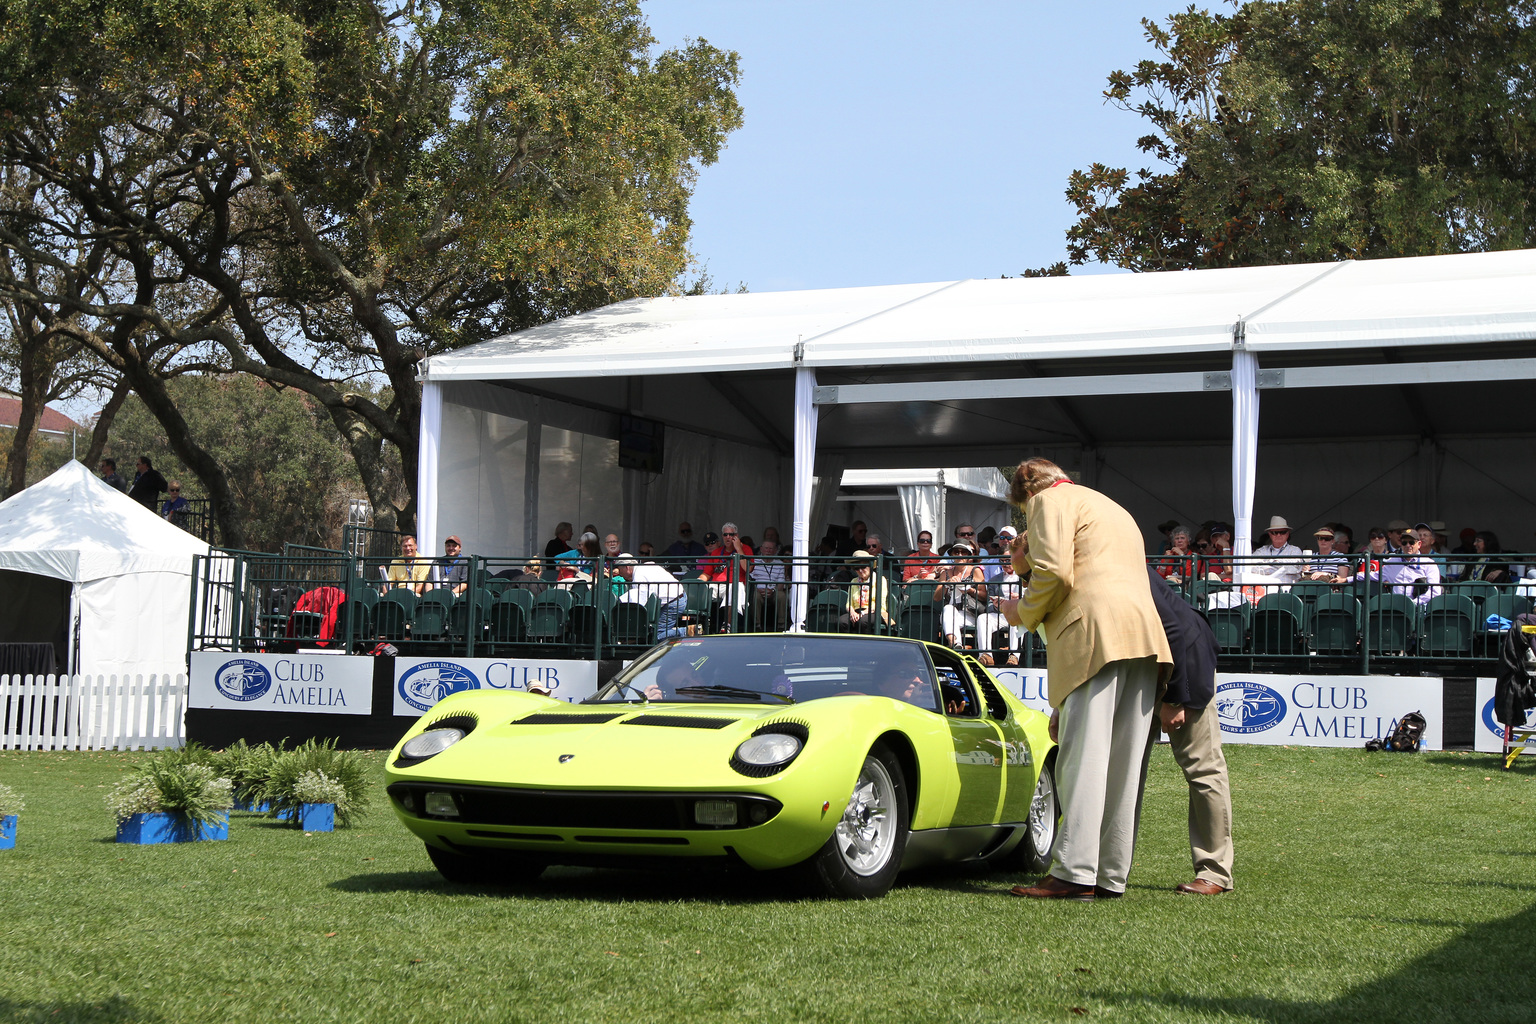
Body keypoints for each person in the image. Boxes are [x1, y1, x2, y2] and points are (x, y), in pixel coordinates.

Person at [1000, 457, 1172, 901]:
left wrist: (1022, 612)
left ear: (1028, 493)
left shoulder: (1047, 503)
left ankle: (1074, 872)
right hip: (1144, 638)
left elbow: (1055, 571)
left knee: (1084, 760)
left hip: (1094, 635)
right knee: (1123, 766)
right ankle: (1110, 876)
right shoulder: (1111, 507)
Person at [1142, 565, 1234, 895]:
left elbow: (1175, 631)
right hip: (1140, 667)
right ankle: (1105, 864)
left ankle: (1215, 872)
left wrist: (1176, 696)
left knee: (1203, 769)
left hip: (1184, 662)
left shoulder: (1120, 563)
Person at [613, 555, 688, 641]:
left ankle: (686, 631)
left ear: (627, 567)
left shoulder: (639, 578)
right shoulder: (646, 567)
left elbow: (639, 607)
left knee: (658, 636)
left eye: (620, 569)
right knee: (657, 633)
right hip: (677, 598)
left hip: (673, 602)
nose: (620, 574)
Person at [933, 540, 988, 650]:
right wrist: (946, 584)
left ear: (968, 555)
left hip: (971, 612)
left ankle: (954, 646)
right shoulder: (946, 573)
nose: (960, 555)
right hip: (951, 614)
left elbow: (984, 596)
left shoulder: (975, 571)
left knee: (948, 619)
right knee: (948, 609)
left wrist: (969, 590)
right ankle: (956, 644)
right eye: (956, 552)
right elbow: (936, 597)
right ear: (952, 555)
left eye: (963, 552)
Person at [698, 522, 753, 620]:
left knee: (736, 588)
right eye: (725, 534)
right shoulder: (716, 552)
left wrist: (738, 548)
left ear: (736, 536)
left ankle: (728, 625)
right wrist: (697, 583)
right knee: (697, 589)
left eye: (731, 534)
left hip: (733, 584)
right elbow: (706, 574)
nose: (728, 537)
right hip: (716, 585)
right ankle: (697, 625)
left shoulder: (745, 549)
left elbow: (748, 569)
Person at [838, 550, 893, 634]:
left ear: (870, 566)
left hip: (875, 611)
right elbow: (849, 603)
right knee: (841, 621)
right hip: (856, 611)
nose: (860, 570)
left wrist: (862, 613)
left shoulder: (880, 579)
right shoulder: (853, 581)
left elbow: (879, 603)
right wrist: (852, 613)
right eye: (857, 568)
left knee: (862, 622)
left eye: (863, 567)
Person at [749, 539, 790, 631]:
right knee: (754, 595)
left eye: (771, 549)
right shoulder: (754, 561)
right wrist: (758, 589)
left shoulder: (780, 563)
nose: (768, 551)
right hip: (758, 589)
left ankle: (781, 624)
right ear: (761, 549)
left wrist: (773, 590)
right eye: (766, 548)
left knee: (781, 595)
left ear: (776, 550)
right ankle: (757, 625)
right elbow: (750, 580)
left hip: (773, 590)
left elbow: (780, 584)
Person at [1250, 516, 1303, 583]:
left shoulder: (1295, 550)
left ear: (1287, 534)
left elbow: (1294, 569)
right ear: (1270, 534)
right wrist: (1280, 567)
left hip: (1287, 590)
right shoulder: (1261, 551)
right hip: (1265, 589)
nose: (1278, 535)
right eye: (1275, 532)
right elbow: (1250, 566)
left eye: (1282, 532)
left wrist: (1267, 565)